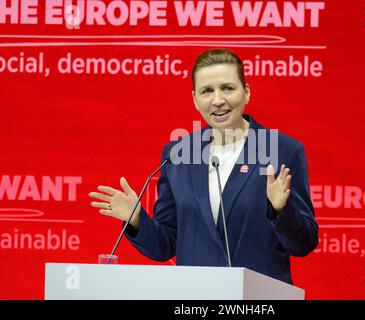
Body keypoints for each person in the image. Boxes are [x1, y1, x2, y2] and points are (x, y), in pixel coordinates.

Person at [88, 48, 318, 285]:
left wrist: (281, 212)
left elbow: (304, 243)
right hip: (194, 299)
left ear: (246, 93)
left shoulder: (282, 150)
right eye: (207, 91)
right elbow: (165, 245)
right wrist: (136, 219)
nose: (218, 100)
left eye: (228, 88)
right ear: (195, 99)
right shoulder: (178, 155)